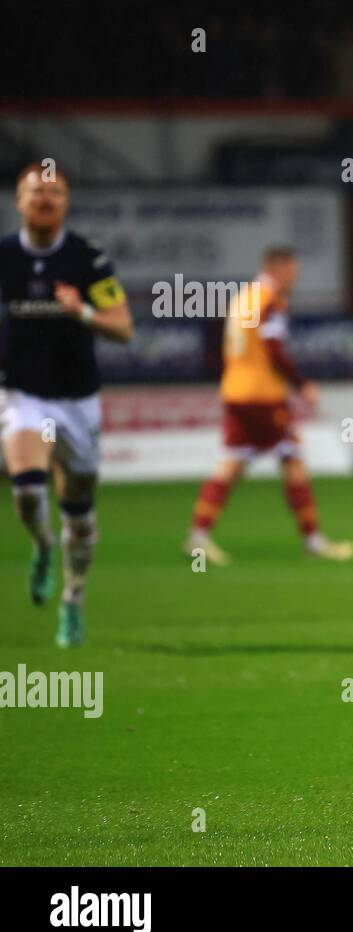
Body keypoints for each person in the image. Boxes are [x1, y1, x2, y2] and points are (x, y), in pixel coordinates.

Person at [0, 163, 133, 647]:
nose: (45, 199)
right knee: (29, 488)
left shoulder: (87, 259)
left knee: (79, 509)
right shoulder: (6, 258)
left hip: (79, 400)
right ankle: (41, 544)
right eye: (36, 190)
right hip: (22, 394)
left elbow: (123, 328)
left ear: (67, 203)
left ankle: (73, 598)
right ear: (18, 199)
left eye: (55, 192)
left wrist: (84, 312)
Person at [185, 247, 353, 564]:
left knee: (231, 464)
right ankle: (314, 540)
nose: (295, 278)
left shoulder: (243, 298)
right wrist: (301, 385)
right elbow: (274, 348)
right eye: (293, 271)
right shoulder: (269, 301)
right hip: (262, 396)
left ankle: (198, 536)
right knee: (293, 460)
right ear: (279, 268)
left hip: (235, 391)